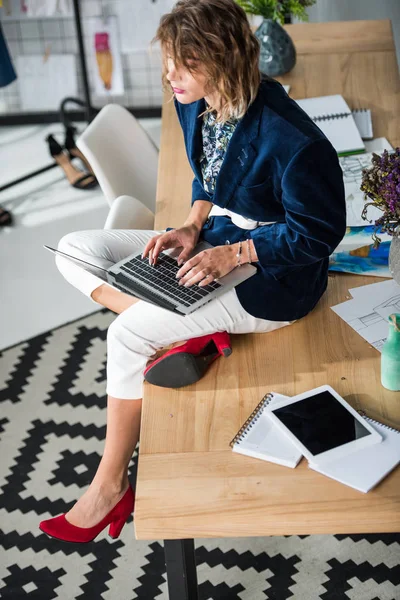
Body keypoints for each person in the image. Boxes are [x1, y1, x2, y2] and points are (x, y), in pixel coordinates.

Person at [39, 0, 346, 543]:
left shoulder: (294, 141)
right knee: (72, 248)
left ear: (224, 60)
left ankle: (110, 485)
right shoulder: (195, 101)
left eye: (183, 63)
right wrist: (190, 223)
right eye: (168, 61)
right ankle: (192, 326)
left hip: (276, 277)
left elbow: (318, 235)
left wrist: (234, 255)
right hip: (217, 239)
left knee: (126, 336)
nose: (169, 75)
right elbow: (208, 174)